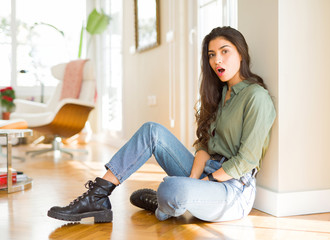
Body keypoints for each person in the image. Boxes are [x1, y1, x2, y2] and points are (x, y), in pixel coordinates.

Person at [47, 26, 276, 223]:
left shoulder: (256, 97)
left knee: (172, 188)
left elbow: (246, 161)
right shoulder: (220, 93)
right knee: (151, 131)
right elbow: (205, 147)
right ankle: (97, 196)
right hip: (206, 174)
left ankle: (170, 200)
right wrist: (193, 182)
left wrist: (202, 183)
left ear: (241, 53)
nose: (217, 60)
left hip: (233, 189)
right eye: (211, 54)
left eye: (225, 52)